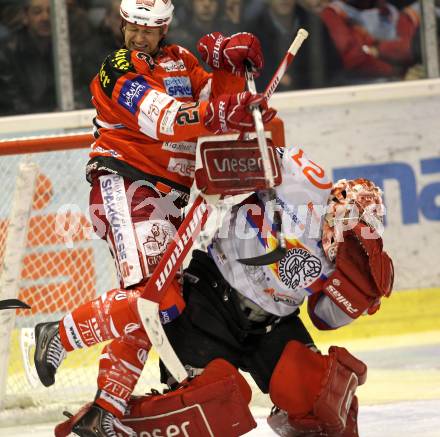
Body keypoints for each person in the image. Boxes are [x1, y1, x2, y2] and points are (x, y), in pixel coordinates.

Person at [33, 0, 275, 435]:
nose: (140, 36)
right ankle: (61, 333)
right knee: (152, 298)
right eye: (133, 27)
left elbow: (213, 105)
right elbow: (162, 119)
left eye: (150, 29)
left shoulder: (180, 60)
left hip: (170, 198)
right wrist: (218, 112)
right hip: (126, 183)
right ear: (123, 24)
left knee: (156, 306)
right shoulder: (116, 67)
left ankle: (106, 407)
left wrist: (229, 70)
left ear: (164, 28)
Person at [155, 143, 395, 436]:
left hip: (272, 324)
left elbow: (322, 318)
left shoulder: (346, 263)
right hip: (212, 298)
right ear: (336, 205)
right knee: (199, 412)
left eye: (359, 240)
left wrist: (356, 295)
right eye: (350, 231)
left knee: (321, 404)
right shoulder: (304, 181)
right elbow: (234, 153)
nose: (351, 246)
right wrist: (245, 161)